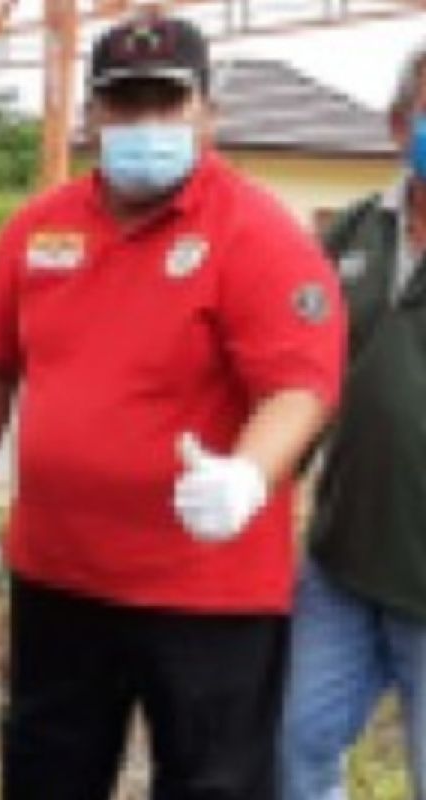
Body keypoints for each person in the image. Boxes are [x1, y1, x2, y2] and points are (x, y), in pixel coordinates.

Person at [0, 12, 346, 800]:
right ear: (93, 115)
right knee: (46, 775)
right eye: (124, 103)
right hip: (59, 579)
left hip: (207, 594)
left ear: (208, 114)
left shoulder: (258, 237)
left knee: (212, 784)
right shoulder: (37, 233)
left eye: (165, 104)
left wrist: (246, 476)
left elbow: (298, 389)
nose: (144, 122)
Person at [280, 39, 426, 800]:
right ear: (400, 123)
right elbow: (297, 370)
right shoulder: (355, 233)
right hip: (341, 564)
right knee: (297, 748)